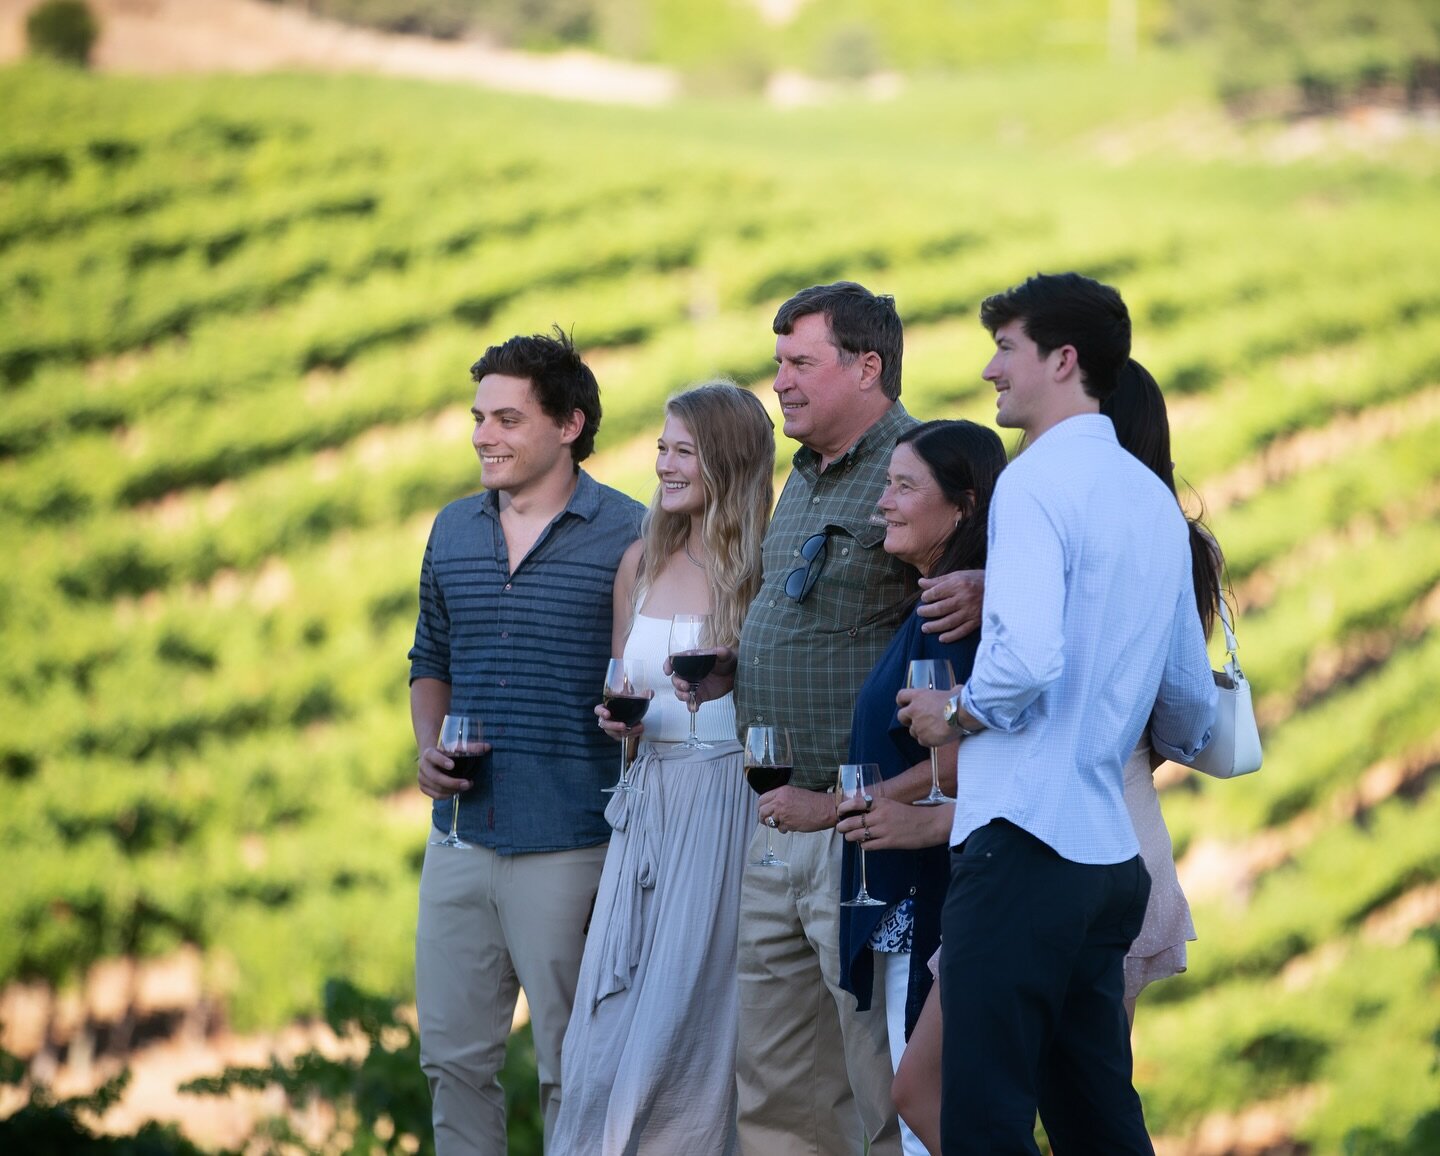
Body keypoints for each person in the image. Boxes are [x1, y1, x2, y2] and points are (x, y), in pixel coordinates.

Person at [840, 358, 1227, 1153]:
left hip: (1040, 835)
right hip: (1114, 836)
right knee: (1079, 1106)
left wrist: (959, 707)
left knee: (981, 1103)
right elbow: (1186, 715)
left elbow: (1028, 680)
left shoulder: (1051, 527)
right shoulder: (1158, 529)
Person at [409, 328, 645, 1155]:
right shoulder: (451, 530)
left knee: (572, 1069)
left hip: (571, 844)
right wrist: (427, 745)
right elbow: (428, 657)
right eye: (478, 418)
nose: (483, 436)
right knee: (452, 1064)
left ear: (570, 424)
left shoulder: (630, 534)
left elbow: (645, 680)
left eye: (507, 419)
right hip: (460, 841)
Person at [550, 382, 775, 1155]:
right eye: (662, 447)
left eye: (684, 450)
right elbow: (624, 687)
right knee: (609, 1031)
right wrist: (617, 717)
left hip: (723, 810)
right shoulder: (640, 561)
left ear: (728, 460)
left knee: (688, 1026)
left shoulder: (766, 571)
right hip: (647, 808)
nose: (664, 464)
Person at [839, 419, 1006, 1156]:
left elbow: (984, 754)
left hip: (936, 888)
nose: (885, 502)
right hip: (918, 885)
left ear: (964, 505)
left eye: (906, 486)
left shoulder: (955, 611)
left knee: (924, 1111)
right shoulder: (937, 597)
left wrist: (878, 802)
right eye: (887, 483)